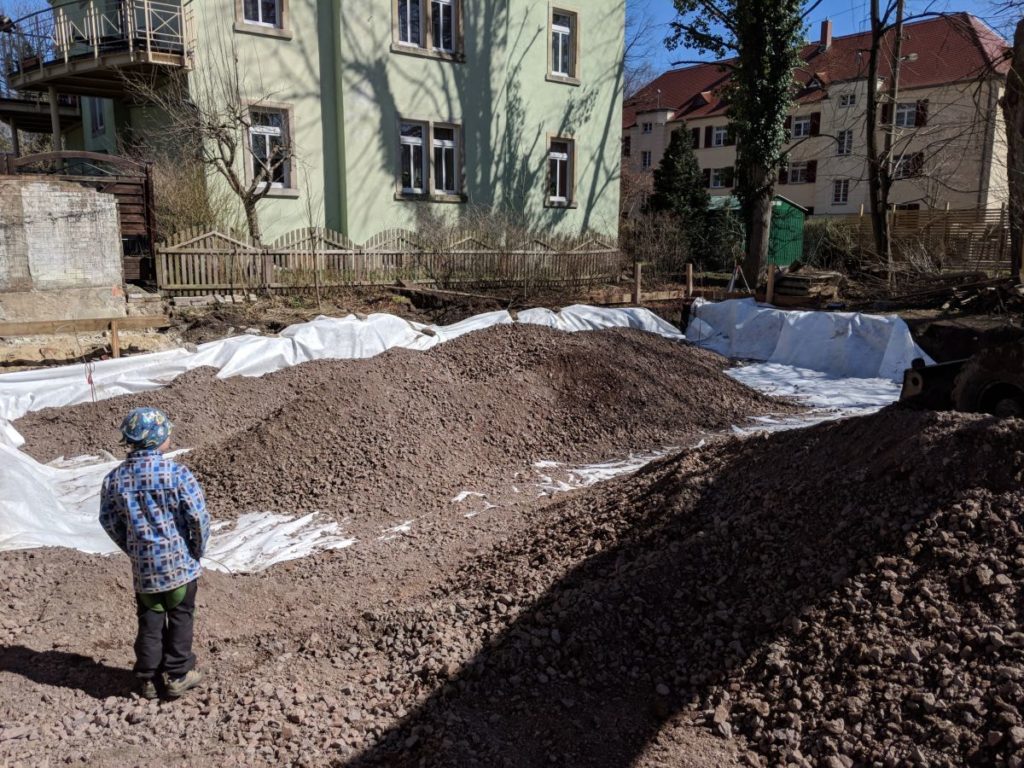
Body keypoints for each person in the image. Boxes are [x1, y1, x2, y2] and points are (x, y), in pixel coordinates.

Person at [99, 406, 210, 700]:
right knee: (181, 616)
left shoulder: (114, 480)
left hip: (145, 570)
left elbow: (108, 520)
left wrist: (131, 548)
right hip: (179, 566)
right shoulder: (177, 474)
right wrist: (197, 549)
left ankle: (148, 678)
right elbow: (197, 517)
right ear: (156, 438)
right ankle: (178, 674)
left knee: (150, 621)